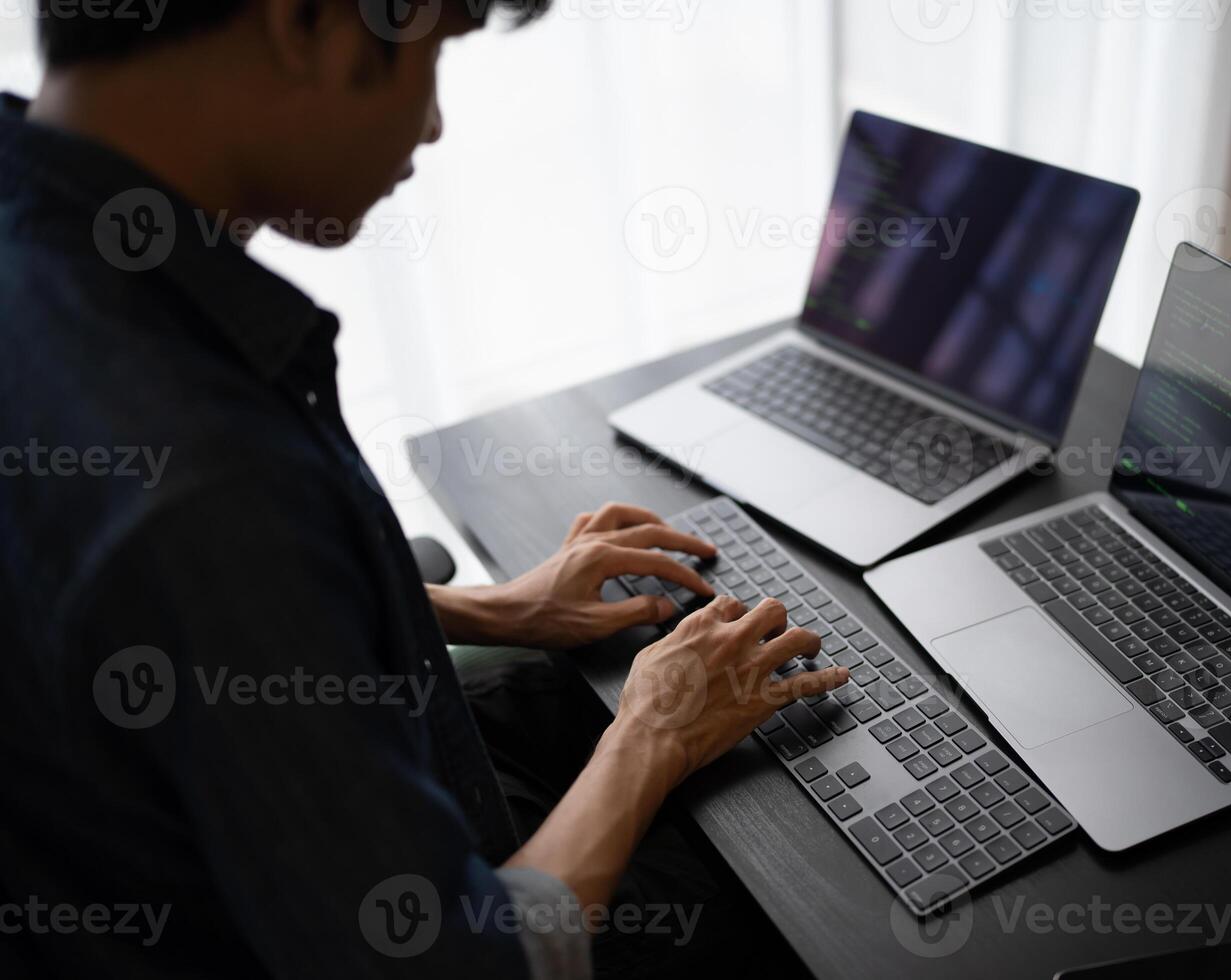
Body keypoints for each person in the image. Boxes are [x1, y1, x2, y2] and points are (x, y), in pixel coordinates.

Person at [0, 2, 847, 976]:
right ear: (302, 25)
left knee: (626, 711)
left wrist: (485, 605)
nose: (433, 122)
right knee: (798, 898)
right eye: (434, 50)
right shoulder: (201, 466)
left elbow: (166, 626)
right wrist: (653, 733)